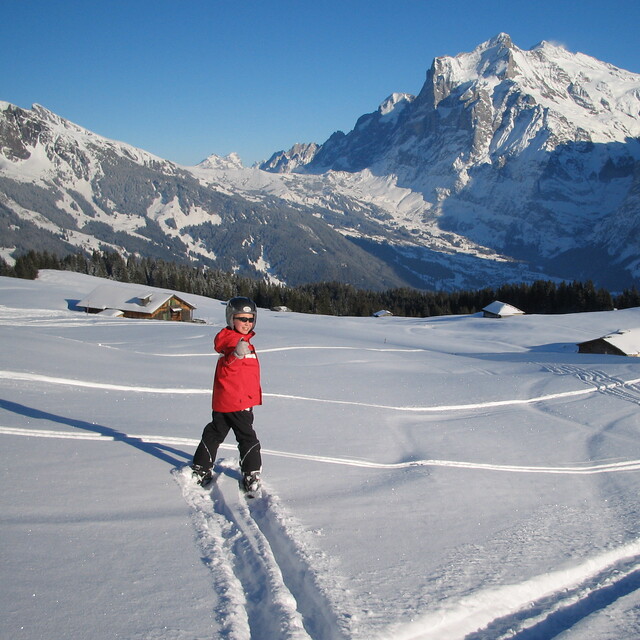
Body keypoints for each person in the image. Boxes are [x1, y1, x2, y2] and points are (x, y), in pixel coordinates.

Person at [192, 296, 262, 492]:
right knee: (247, 437)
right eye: (242, 319)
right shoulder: (234, 342)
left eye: (250, 319)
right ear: (231, 318)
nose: (247, 323)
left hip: (224, 400)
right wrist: (236, 354)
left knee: (214, 433)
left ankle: (201, 466)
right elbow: (229, 362)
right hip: (238, 401)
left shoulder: (235, 339)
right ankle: (251, 474)